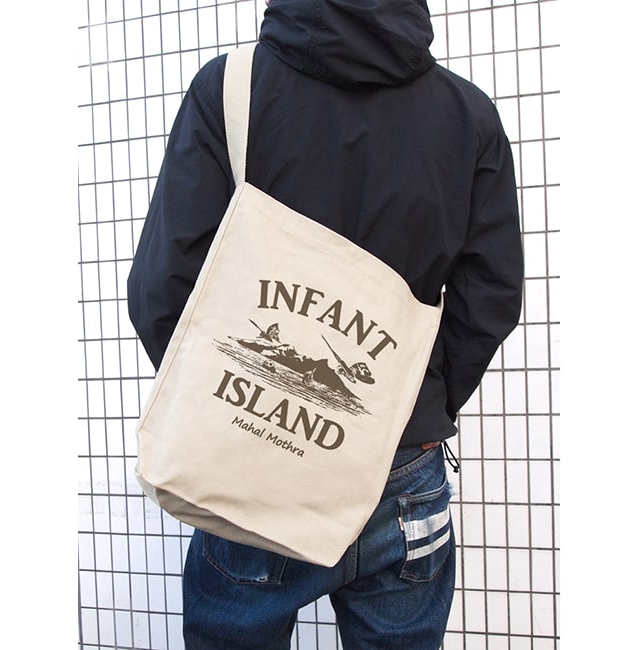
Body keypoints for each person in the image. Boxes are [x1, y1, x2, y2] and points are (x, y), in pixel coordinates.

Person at [127, 0, 523, 647]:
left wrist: (228, 399)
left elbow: (161, 285)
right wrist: (417, 409)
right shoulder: (468, 116)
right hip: (402, 470)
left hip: (254, 451)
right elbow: (492, 296)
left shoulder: (231, 89)